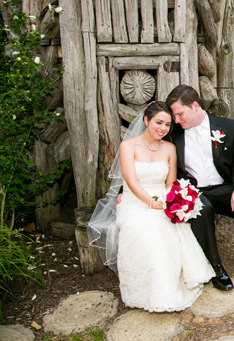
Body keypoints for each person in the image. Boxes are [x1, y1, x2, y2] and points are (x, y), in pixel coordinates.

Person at [88, 101, 214, 312]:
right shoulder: (128, 146)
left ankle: (170, 285)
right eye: (158, 122)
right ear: (146, 121)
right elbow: (131, 181)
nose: (162, 128)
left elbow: (170, 183)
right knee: (146, 230)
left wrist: (175, 202)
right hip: (134, 201)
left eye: (167, 124)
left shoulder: (170, 148)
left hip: (162, 198)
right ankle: (147, 289)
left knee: (170, 225)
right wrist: (152, 203)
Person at [165, 84, 234, 292]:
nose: (177, 120)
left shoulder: (226, 126)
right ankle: (214, 265)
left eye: (180, 114)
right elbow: (149, 157)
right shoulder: (173, 134)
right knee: (202, 209)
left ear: (195, 106)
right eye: (175, 116)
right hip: (195, 191)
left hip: (223, 187)